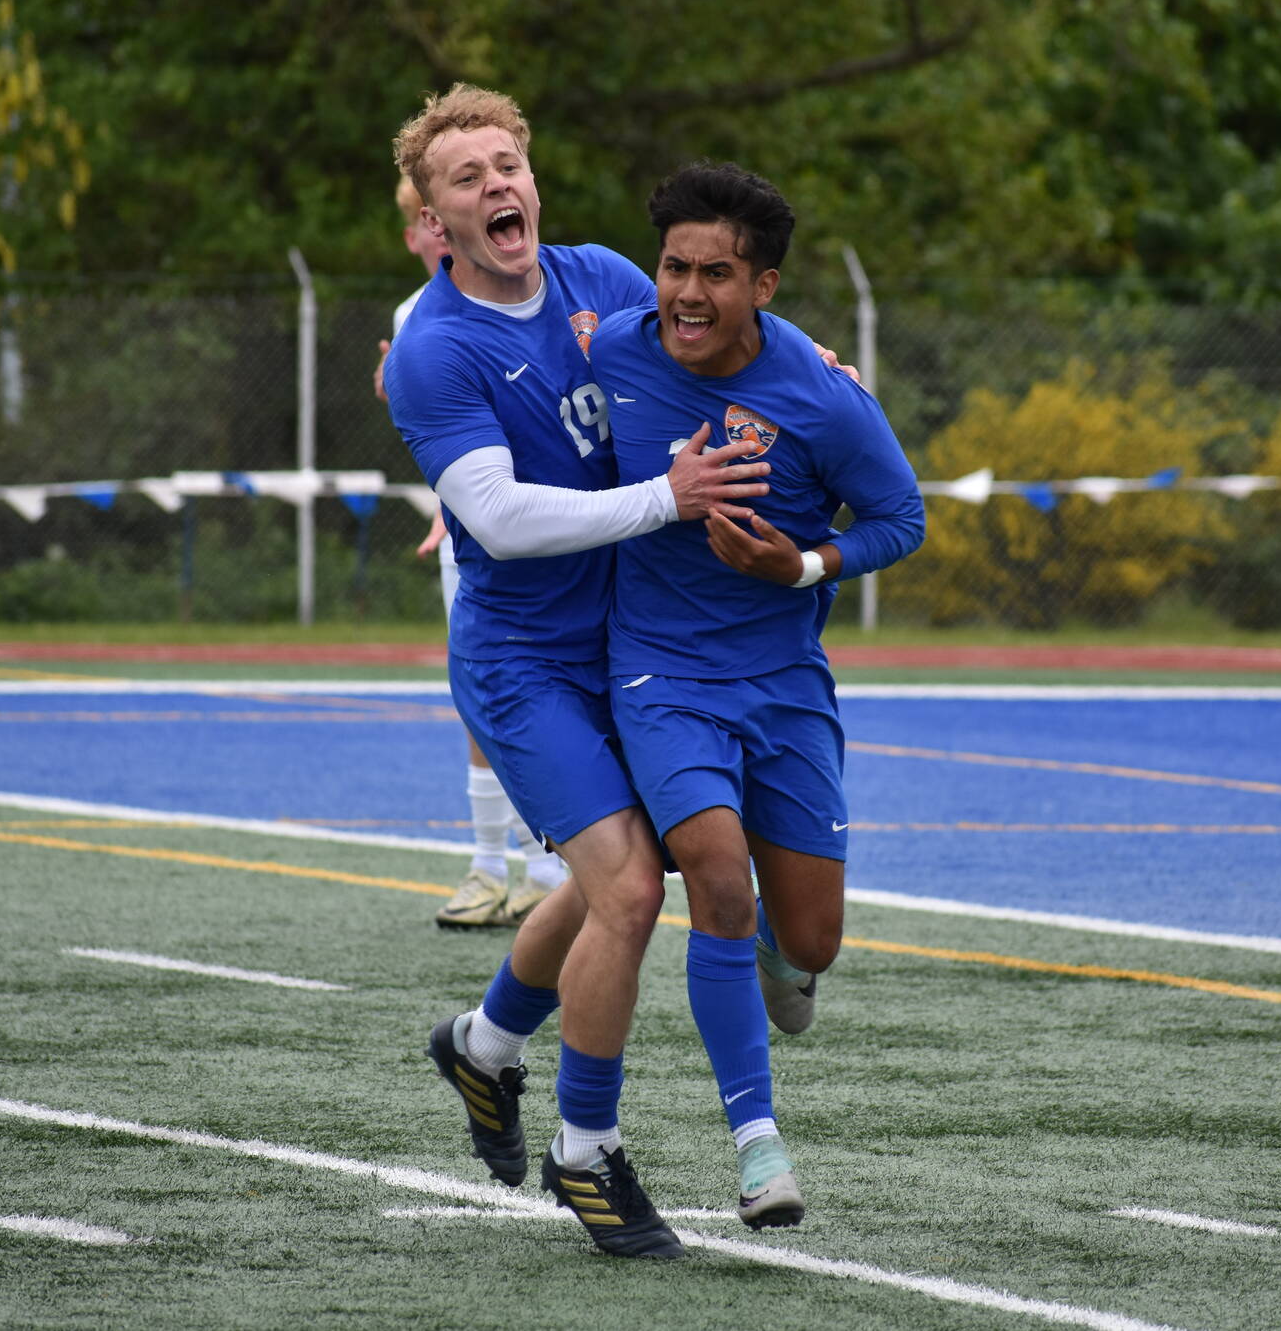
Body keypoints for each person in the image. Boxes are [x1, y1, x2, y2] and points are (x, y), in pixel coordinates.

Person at [382, 85, 773, 1260]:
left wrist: (816, 374)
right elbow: (495, 517)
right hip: (521, 663)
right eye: (467, 177)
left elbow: (722, 342)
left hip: (629, 644)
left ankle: (486, 1046)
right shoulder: (435, 348)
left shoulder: (603, 274)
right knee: (629, 894)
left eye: (508, 164)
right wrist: (667, 498)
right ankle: (585, 1152)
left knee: (627, 871)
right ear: (434, 218)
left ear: (532, 181)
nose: (496, 185)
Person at [587, 162, 925, 1227]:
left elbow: (899, 517)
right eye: (673, 268)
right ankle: (756, 1147)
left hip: (782, 683)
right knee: (717, 885)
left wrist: (804, 567)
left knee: (810, 940)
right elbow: (502, 366)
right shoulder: (605, 357)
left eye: (715, 274)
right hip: (657, 674)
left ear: (764, 287)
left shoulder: (823, 394)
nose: (686, 293)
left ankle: (786, 959)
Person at [378, 173, 568, 929]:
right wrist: (446, 507)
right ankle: (493, 864)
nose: (436, 233)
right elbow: (452, 442)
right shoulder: (418, 319)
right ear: (420, 231)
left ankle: (548, 866)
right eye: (424, 221)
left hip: (558, 530)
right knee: (484, 700)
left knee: (552, 691)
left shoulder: (553, 290)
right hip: (480, 539)